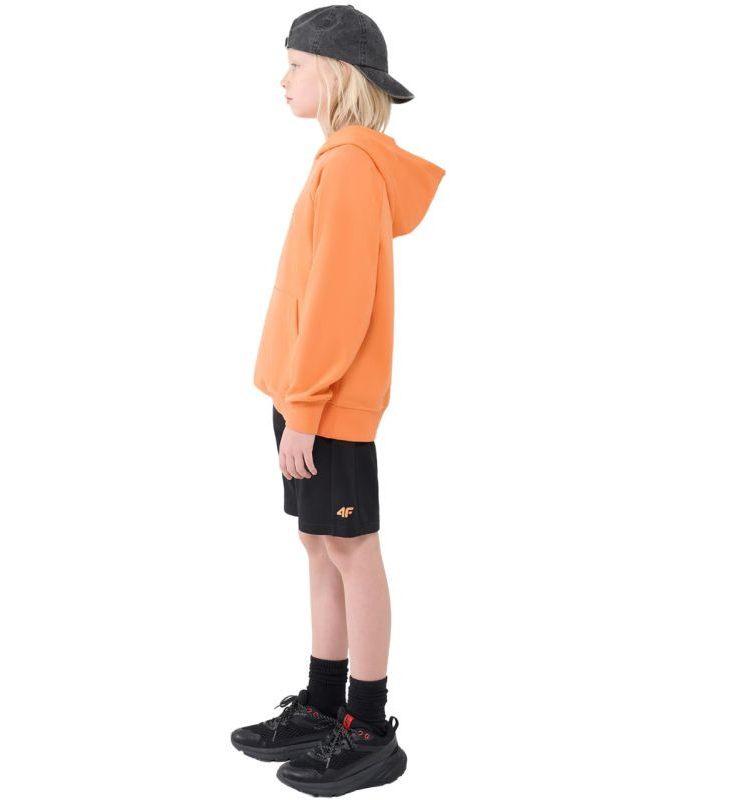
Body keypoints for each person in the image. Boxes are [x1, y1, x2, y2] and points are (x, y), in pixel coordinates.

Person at [231, 5, 445, 795]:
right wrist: (295, 400)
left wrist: (308, 408)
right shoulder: (337, 160)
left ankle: (368, 727)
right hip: (304, 396)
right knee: (320, 546)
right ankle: (325, 705)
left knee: (353, 550)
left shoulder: (352, 166)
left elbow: (338, 302)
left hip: (326, 405)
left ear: (336, 75)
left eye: (296, 65)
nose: (283, 79)